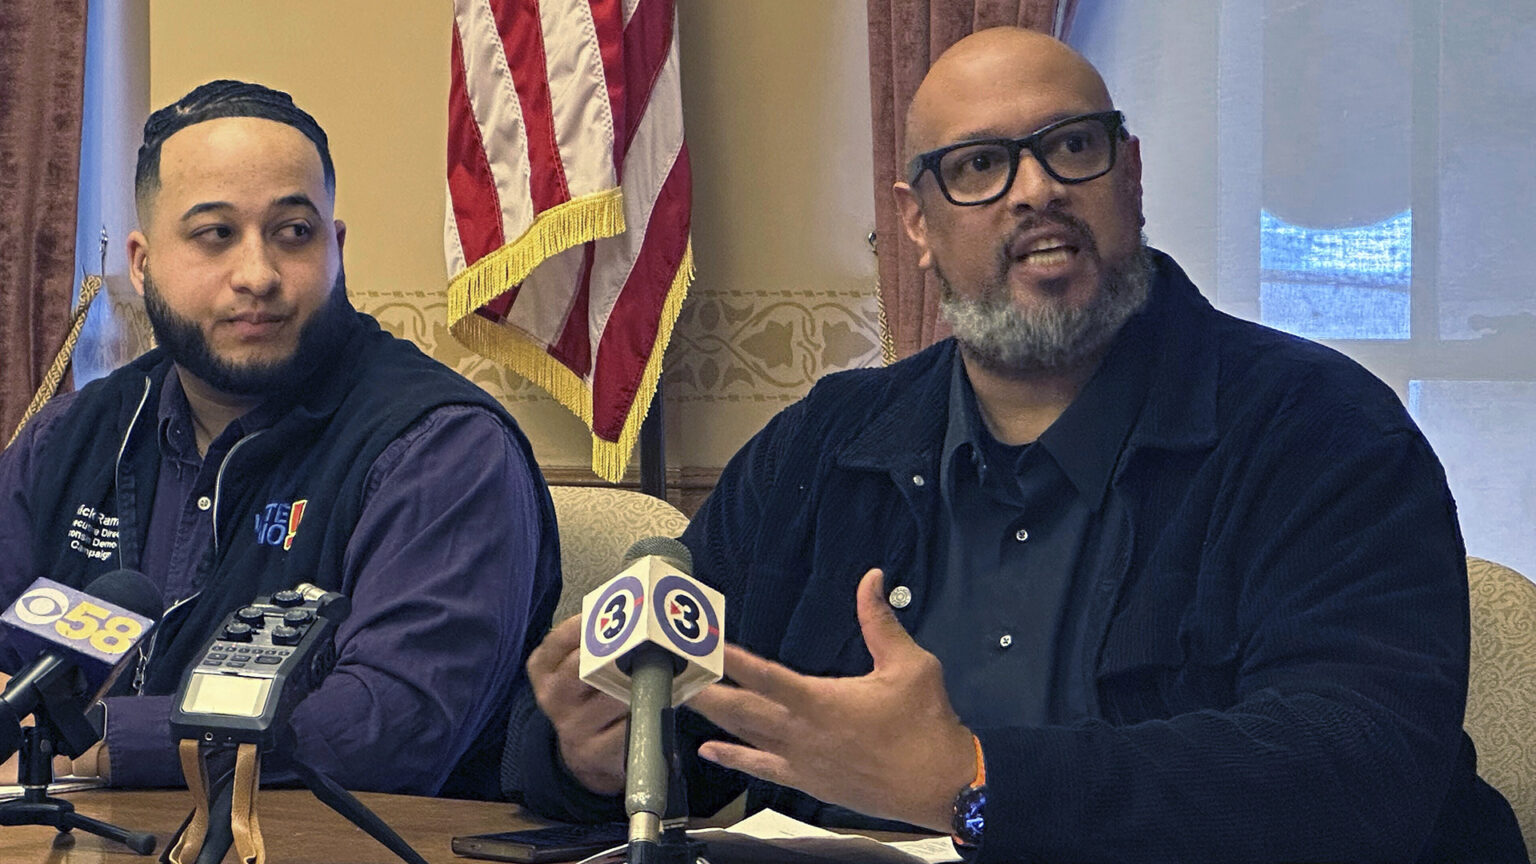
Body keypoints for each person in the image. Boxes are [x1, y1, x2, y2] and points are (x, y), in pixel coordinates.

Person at [508, 27, 1528, 862]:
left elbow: (1358, 775)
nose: (1035, 189)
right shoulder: (821, 450)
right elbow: (697, 725)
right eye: (981, 166)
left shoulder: (1324, 432)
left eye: (1071, 147)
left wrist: (973, 782)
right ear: (915, 221)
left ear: (1129, 176)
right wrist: (589, 749)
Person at [0, 80, 560, 799]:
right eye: (215, 235)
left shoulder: (443, 450)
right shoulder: (70, 436)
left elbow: (382, 732)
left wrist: (85, 743)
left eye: (294, 232)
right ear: (142, 266)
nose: (258, 275)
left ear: (338, 248)